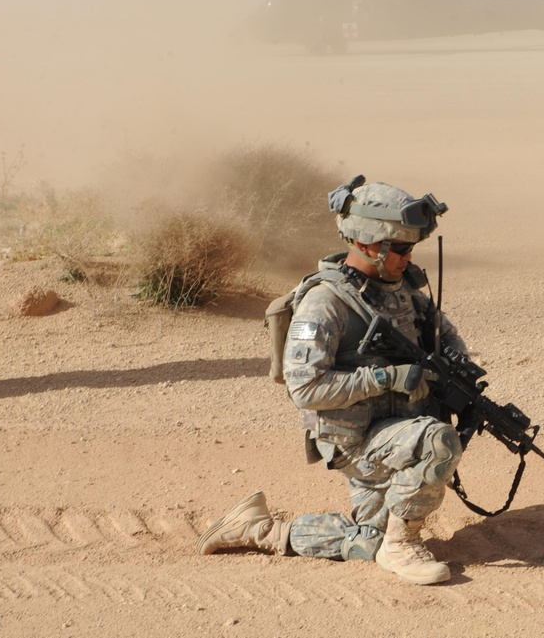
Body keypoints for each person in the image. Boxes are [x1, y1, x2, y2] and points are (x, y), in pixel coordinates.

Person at [196, 178, 466, 586]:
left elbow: (446, 337)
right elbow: (304, 388)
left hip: (394, 430)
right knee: (437, 442)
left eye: (412, 248)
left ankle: (258, 529)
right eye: (401, 248)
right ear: (368, 243)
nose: (408, 258)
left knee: (366, 542)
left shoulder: (405, 292)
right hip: (355, 439)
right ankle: (402, 546)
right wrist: (384, 378)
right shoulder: (325, 302)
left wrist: (457, 372)